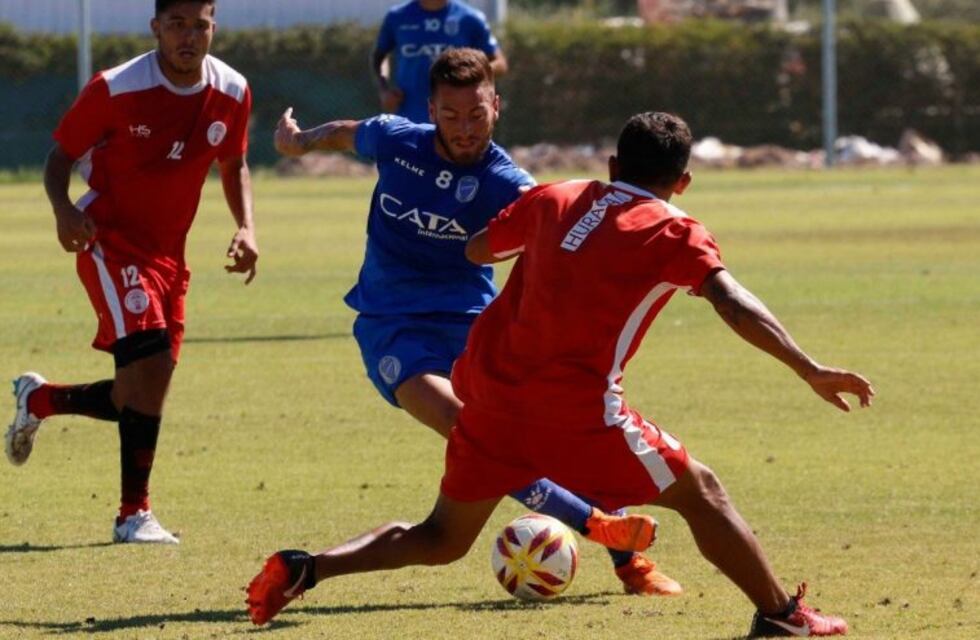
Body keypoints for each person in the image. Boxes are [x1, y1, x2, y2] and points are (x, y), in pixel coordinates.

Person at [246, 111, 875, 636]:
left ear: (613, 165)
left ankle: (308, 568)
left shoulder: (557, 196)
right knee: (702, 493)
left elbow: (479, 249)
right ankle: (782, 617)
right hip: (578, 416)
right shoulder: (676, 232)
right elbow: (732, 301)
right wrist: (809, 368)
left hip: (489, 405)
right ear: (682, 182)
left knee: (440, 538)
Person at [274, 48, 677, 595]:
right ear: (431, 110)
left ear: (496, 106)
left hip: (476, 327)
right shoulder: (396, 140)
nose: (464, 128)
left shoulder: (508, 183)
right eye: (451, 115)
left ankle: (630, 565)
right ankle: (597, 525)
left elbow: (563, 232)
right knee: (467, 427)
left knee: (553, 427)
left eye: (476, 114)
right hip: (394, 326)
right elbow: (345, 133)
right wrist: (299, 141)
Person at [5, 0, 258, 544]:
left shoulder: (233, 91)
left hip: (170, 257)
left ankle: (39, 400)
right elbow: (58, 159)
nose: (188, 37)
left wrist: (247, 226)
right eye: (176, 25)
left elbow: (233, 163)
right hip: (109, 241)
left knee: (137, 393)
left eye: (199, 26)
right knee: (149, 364)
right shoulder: (115, 88)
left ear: (214, 28)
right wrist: (64, 210)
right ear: (155, 29)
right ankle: (132, 515)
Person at [371, 0, 508, 124]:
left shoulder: (470, 18)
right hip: (409, 119)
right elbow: (380, 57)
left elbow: (500, 63)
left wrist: (469, 74)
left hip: (458, 121)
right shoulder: (397, 17)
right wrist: (384, 90)